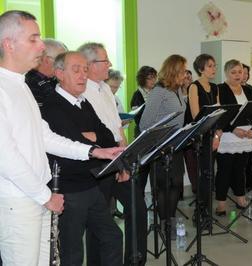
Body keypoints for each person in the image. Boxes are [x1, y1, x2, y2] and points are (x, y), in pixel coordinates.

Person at [0, 10, 121, 265]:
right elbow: (6, 158)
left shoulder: (20, 85)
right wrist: (45, 196)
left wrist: (93, 152)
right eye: (33, 39)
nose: (42, 46)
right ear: (9, 44)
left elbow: (45, 137)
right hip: (19, 200)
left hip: (37, 195)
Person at [41, 51, 124, 265]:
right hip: (69, 187)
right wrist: (90, 139)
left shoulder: (83, 102)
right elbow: (72, 144)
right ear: (59, 73)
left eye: (85, 70)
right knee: (72, 252)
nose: (83, 75)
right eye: (76, 70)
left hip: (90, 183)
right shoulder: (52, 105)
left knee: (113, 236)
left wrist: (89, 137)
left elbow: (106, 135)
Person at [78, 42, 147, 266]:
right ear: (89, 64)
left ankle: (135, 260)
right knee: (99, 220)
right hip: (97, 164)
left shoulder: (106, 88)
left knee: (137, 207)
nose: (109, 64)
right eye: (104, 60)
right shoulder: (82, 90)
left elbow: (118, 129)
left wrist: (124, 162)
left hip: (117, 160)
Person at [140, 54, 186, 238]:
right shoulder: (159, 91)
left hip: (176, 144)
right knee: (162, 186)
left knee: (176, 184)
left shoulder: (178, 90)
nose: (185, 74)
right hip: (160, 146)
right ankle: (164, 223)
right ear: (173, 71)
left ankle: (171, 220)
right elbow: (145, 123)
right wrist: (163, 133)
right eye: (182, 71)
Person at [215, 59, 252, 215]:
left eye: (240, 72)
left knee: (241, 169)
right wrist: (233, 129)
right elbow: (220, 115)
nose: (238, 75)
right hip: (228, 136)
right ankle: (221, 203)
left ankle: (240, 198)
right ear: (226, 73)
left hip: (246, 136)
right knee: (224, 170)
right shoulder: (220, 89)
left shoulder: (249, 91)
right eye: (234, 72)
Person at [186, 53, 220, 213]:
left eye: (214, 66)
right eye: (210, 66)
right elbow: (196, 117)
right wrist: (211, 136)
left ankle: (207, 210)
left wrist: (217, 136)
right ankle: (201, 212)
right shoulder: (194, 87)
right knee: (204, 174)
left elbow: (219, 114)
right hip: (200, 137)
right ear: (201, 69)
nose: (214, 69)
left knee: (210, 174)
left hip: (212, 135)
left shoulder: (215, 87)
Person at [25, 38, 67, 108]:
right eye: (61, 62)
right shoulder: (31, 82)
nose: (64, 66)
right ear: (47, 60)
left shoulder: (55, 79)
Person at [130, 65, 157, 137]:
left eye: (154, 77)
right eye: (150, 78)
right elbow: (137, 115)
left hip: (155, 129)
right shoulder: (137, 95)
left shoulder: (157, 92)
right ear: (142, 79)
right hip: (142, 131)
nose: (153, 80)